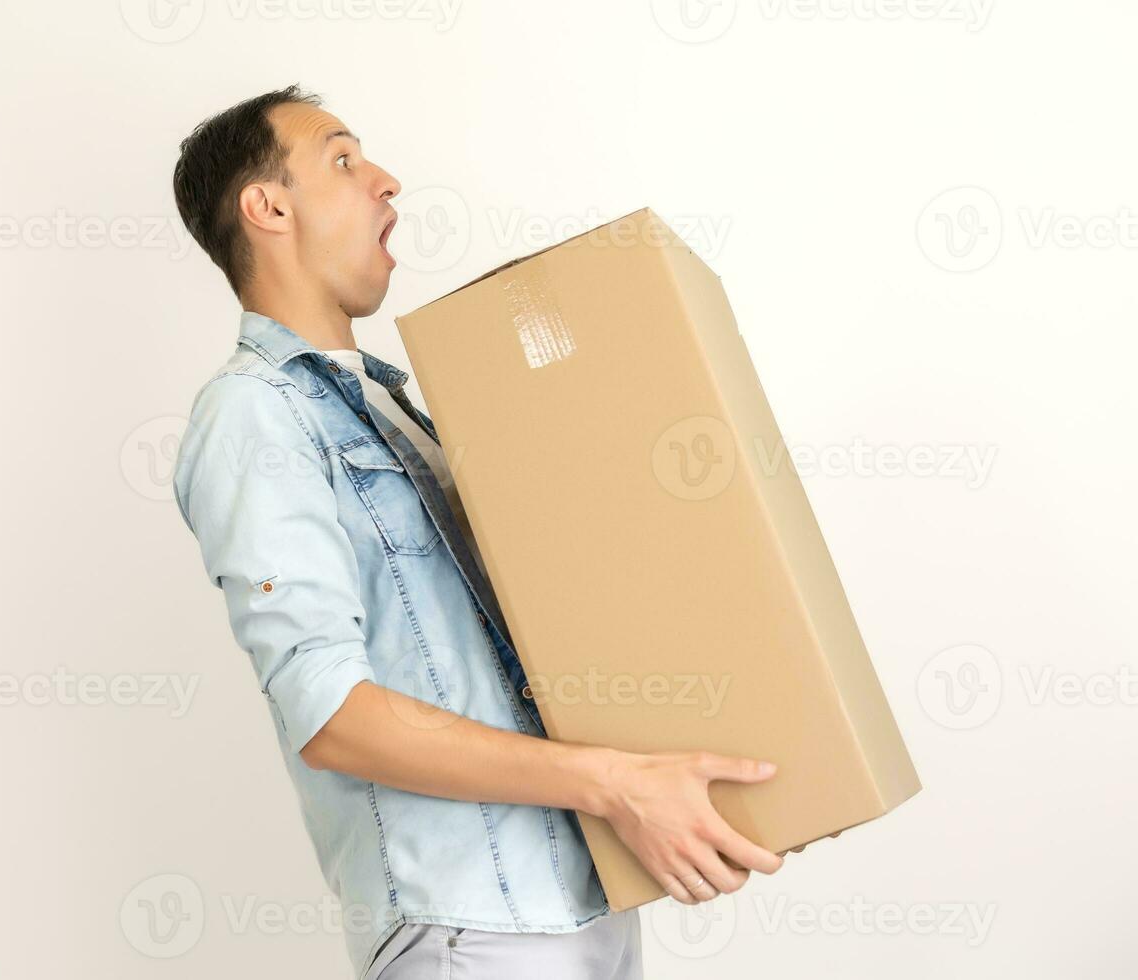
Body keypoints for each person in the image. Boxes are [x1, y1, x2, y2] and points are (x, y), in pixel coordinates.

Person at [169, 84, 784, 979]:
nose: (386, 181)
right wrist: (611, 780)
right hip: (469, 931)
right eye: (342, 160)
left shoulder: (400, 410)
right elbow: (330, 713)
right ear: (267, 207)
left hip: (582, 900)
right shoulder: (252, 414)